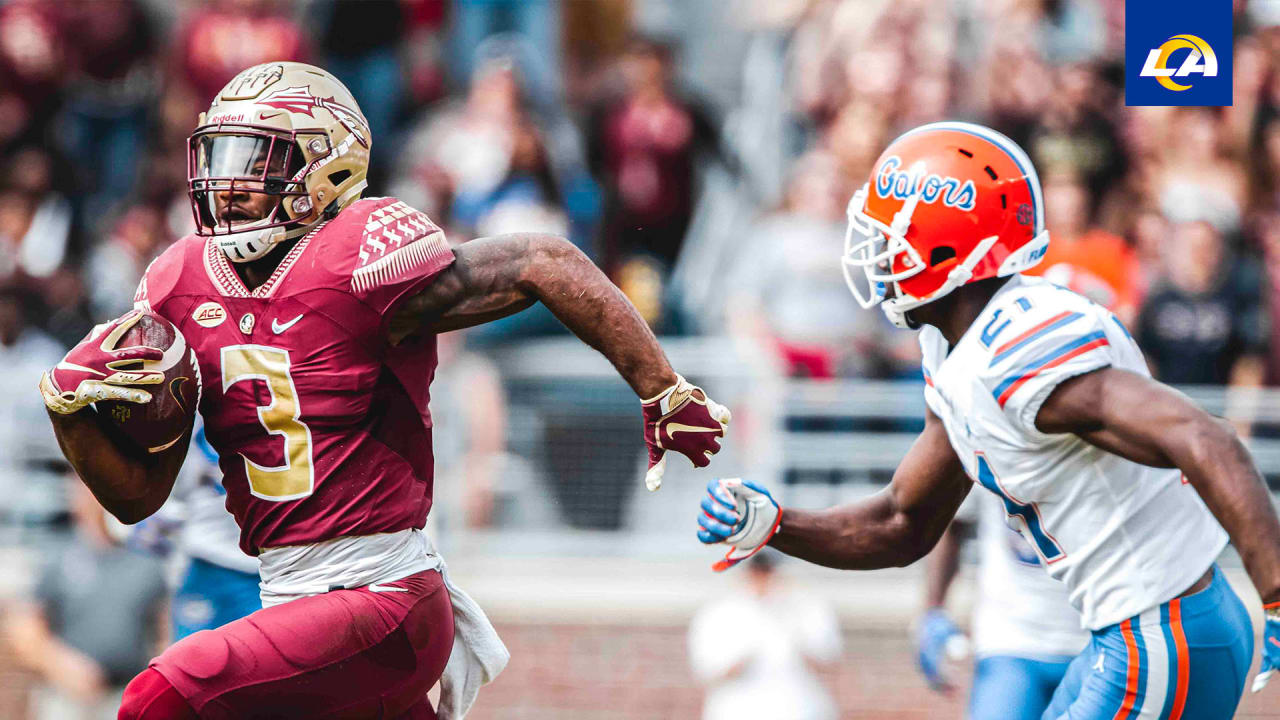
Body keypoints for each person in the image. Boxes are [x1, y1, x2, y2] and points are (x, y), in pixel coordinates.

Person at [38, 62, 731, 720]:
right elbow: (138, 499)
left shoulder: (359, 255)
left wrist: (661, 389)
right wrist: (71, 416)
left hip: (381, 596)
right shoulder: (178, 281)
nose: (228, 184)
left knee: (161, 693)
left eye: (257, 161)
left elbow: (544, 261)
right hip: (287, 595)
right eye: (219, 159)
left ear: (327, 167)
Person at [696, 122, 1280, 717]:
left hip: (1162, 633)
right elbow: (904, 520)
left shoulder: (1018, 352)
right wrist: (774, 525)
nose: (874, 256)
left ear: (944, 246)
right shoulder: (954, 347)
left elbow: (1204, 437)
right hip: (1129, 632)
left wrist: (1278, 595)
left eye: (888, 237)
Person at [6, 477, 168, 720]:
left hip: (126, 695)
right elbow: (24, 627)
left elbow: (166, 631)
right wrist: (61, 665)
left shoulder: (147, 561)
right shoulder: (57, 555)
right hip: (66, 697)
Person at [917, 493, 1086, 719]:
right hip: (1010, 638)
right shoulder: (986, 457)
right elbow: (951, 524)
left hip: (1102, 637)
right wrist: (933, 610)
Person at [687, 550, 841, 720]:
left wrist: (789, 620)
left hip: (799, 710)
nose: (762, 578)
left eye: (768, 570)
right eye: (756, 570)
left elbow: (827, 662)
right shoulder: (718, 613)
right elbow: (707, 672)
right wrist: (743, 657)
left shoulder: (807, 607)